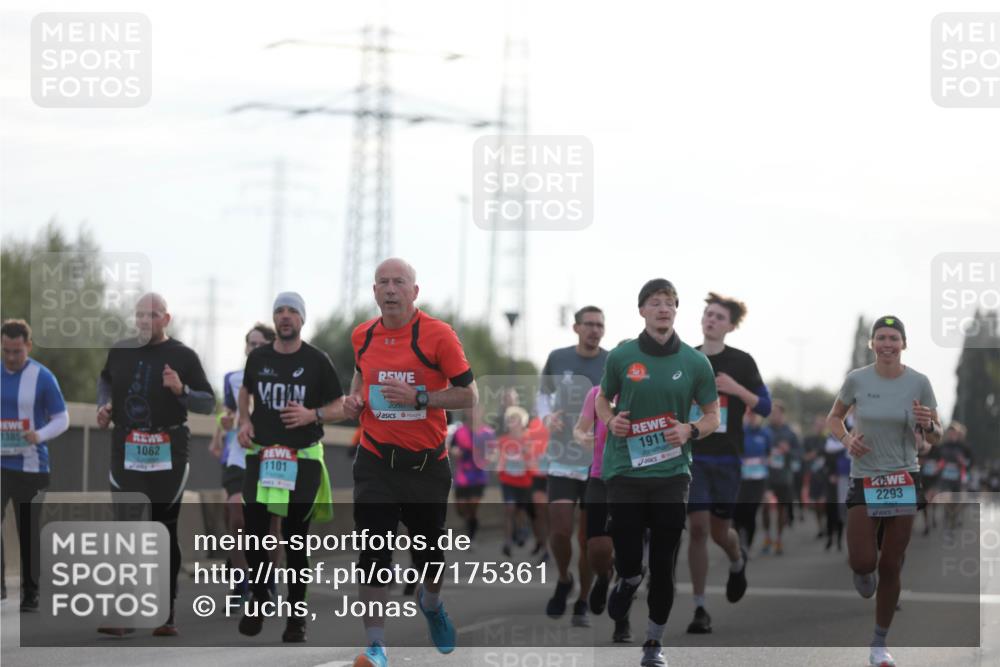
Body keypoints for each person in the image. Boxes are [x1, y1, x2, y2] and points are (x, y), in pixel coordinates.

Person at [343, 258, 477, 667]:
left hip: (425, 465)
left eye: (399, 282)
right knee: (373, 551)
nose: (390, 289)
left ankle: (431, 603)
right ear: (374, 291)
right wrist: (354, 400)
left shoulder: (438, 335)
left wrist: (420, 398)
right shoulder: (362, 335)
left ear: (414, 292)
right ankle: (376, 645)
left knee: (429, 556)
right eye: (382, 282)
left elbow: (468, 396)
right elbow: (360, 378)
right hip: (376, 460)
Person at [597, 278, 720, 667]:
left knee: (665, 561)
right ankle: (629, 578)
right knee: (631, 555)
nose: (663, 308)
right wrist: (611, 419)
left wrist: (691, 429)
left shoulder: (696, 362)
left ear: (676, 310)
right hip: (625, 471)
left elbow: (713, 414)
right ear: (642, 311)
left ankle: (653, 643)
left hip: (672, 472)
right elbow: (602, 399)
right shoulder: (622, 356)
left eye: (669, 302)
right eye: (655, 302)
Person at [96, 293, 215, 636]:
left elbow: (208, 403)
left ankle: (166, 611)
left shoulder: (183, 356)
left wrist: (181, 390)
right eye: (139, 315)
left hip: (168, 450)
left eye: (152, 315)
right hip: (128, 446)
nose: (145, 320)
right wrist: (104, 405)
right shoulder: (121, 350)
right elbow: (106, 380)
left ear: (166, 319)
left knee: (163, 530)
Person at [827, 315, 940, 667]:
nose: (887, 344)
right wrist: (847, 439)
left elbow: (934, 437)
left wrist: (928, 425)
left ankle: (879, 644)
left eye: (893, 338)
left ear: (903, 344)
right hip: (866, 477)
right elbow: (834, 418)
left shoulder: (919, 382)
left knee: (891, 564)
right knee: (863, 562)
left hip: (903, 476)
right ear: (872, 343)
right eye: (881, 338)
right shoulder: (857, 379)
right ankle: (865, 570)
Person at [236, 293, 345, 643]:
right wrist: (242, 420)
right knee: (253, 531)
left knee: (295, 539)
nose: (285, 317)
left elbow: (341, 406)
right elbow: (245, 390)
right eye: (279, 311)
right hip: (263, 454)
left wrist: (312, 415)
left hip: (302, 458)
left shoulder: (317, 361)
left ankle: (296, 619)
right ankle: (261, 594)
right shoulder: (259, 358)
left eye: (292, 312)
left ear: (302, 320)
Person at [685, 292, 770, 634]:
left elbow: (763, 406)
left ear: (730, 326)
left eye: (719, 317)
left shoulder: (742, 362)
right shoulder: (686, 358)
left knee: (722, 533)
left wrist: (736, 389)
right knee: (699, 529)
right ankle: (700, 608)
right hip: (694, 457)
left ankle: (737, 561)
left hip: (727, 458)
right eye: (707, 314)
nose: (711, 320)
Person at [537, 305, 608, 626]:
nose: (595, 330)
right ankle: (564, 578)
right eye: (589, 324)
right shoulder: (558, 358)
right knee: (561, 530)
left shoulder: (612, 363)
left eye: (600, 325)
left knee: (587, 540)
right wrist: (546, 417)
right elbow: (542, 395)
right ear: (576, 328)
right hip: (562, 456)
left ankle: (582, 599)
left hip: (597, 462)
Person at [1, 319, 69, 610]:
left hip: (32, 468)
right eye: (6, 351)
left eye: (17, 351)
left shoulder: (43, 377)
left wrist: (38, 435)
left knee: (27, 530)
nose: (12, 357)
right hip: (1, 465)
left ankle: (31, 592)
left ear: (28, 346)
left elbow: (62, 419)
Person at [209, 323, 276, 603]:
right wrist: (220, 428)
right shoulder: (233, 378)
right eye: (251, 343)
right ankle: (241, 583)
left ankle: (268, 583)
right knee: (237, 515)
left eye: (261, 344)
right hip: (239, 453)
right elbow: (229, 413)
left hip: (273, 455)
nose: (255, 348)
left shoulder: (282, 378)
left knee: (271, 524)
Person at [574, 384, 633, 643]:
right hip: (599, 477)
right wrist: (582, 437)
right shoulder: (598, 392)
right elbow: (580, 428)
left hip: (635, 480)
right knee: (596, 547)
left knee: (626, 553)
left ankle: (622, 621)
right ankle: (602, 576)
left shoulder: (647, 393)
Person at [497, 407, 548, 557]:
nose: (512, 423)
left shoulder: (529, 439)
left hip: (527, 483)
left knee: (533, 515)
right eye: (510, 420)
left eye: (516, 420)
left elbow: (536, 459)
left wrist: (528, 455)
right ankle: (507, 542)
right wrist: (499, 465)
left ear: (522, 422)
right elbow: (498, 459)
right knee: (510, 509)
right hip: (508, 481)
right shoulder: (503, 440)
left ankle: (543, 546)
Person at [733, 411, 772, 553]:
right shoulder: (740, 432)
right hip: (741, 479)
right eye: (750, 415)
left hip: (759, 479)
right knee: (737, 513)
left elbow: (769, 454)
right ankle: (737, 542)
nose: (753, 418)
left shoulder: (765, 434)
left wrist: (765, 460)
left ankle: (746, 546)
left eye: (755, 415)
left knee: (751, 512)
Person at [761, 400, 796, 555]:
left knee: (782, 510)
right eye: (771, 413)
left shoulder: (790, 433)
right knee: (766, 507)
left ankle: (779, 540)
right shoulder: (764, 431)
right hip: (767, 476)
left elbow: (800, 454)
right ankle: (768, 537)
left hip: (784, 476)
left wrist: (788, 450)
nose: (773, 416)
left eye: (776, 413)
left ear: (783, 415)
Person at [450, 406, 489, 543]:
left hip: (478, 475)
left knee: (473, 504)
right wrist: (455, 451)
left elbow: (494, 450)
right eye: (470, 410)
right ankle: (470, 521)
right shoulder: (459, 431)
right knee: (461, 508)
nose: (473, 413)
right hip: (463, 474)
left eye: (476, 410)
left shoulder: (487, 432)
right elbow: (453, 446)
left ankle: (471, 531)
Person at [802, 415, 830, 538]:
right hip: (813, 476)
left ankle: (828, 525)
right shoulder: (808, 440)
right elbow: (803, 456)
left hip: (827, 476)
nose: (820, 426)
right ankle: (820, 527)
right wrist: (810, 456)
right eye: (818, 424)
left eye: (822, 424)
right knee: (816, 504)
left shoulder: (829, 439)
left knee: (825, 502)